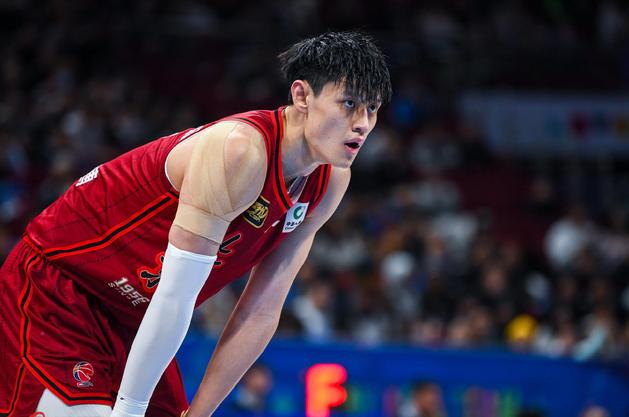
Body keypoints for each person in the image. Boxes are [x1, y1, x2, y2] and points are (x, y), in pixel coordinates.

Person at [0, 31, 392, 417]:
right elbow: (175, 295)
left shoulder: (330, 181)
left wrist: (199, 412)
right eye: (349, 103)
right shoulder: (239, 150)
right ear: (302, 96)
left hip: (133, 319)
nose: (362, 123)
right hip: (59, 291)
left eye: (372, 109)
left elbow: (260, 311)